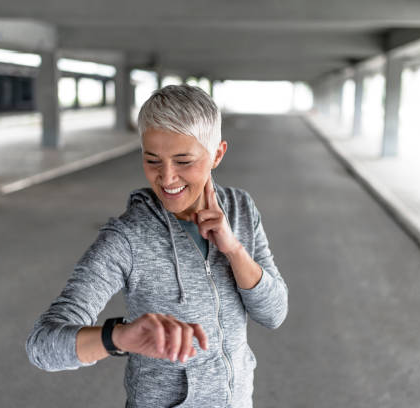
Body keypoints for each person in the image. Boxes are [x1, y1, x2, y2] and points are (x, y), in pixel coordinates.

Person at [25, 84, 289, 407]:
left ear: (216, 154)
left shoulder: (241, 210)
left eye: (183, 161)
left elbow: (274, 313)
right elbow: (42, 345)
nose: (166, 178)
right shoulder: (127, 238)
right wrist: (117, 337)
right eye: (152, 160)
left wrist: (233, 249)